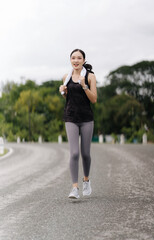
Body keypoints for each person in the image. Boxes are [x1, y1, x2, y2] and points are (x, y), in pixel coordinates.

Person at [59, 49, 97, 199]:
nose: (76, 60)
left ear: (84, 60)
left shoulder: (90, 77)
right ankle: (75, 188)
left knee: (85, 154)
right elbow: (68, 99)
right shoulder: (66, 77)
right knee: (74, 153)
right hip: (71, 118)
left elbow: (94, 99)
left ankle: (86, 180)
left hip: (86, 118)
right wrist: (63, 92)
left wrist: (84, 85)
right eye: (73, 58)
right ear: (70, 60)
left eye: (79, 58)